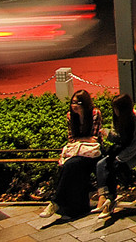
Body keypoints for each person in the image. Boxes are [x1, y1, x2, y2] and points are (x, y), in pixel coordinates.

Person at [46, 90, 102, 220]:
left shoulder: (95, 113)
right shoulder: (70, 116)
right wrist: (84, 139)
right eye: (72, 102)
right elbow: (71, 138)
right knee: (71, 165)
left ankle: (56, 202)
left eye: (78, 103)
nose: (74, 105)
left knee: (70, 165)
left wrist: (81, 139)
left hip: (92, 153)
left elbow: (95, 138)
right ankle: (75, 207)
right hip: (78, 152)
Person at [93, 93, 136, 223]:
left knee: (113, 166)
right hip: (121, 150)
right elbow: (118, 139)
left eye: (117, 108)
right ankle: (104, 197)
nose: (115, 111)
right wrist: (108, 134)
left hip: (134, 154)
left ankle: (109, 200)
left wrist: (120, 158)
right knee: (101, 164)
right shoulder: (118, 118)